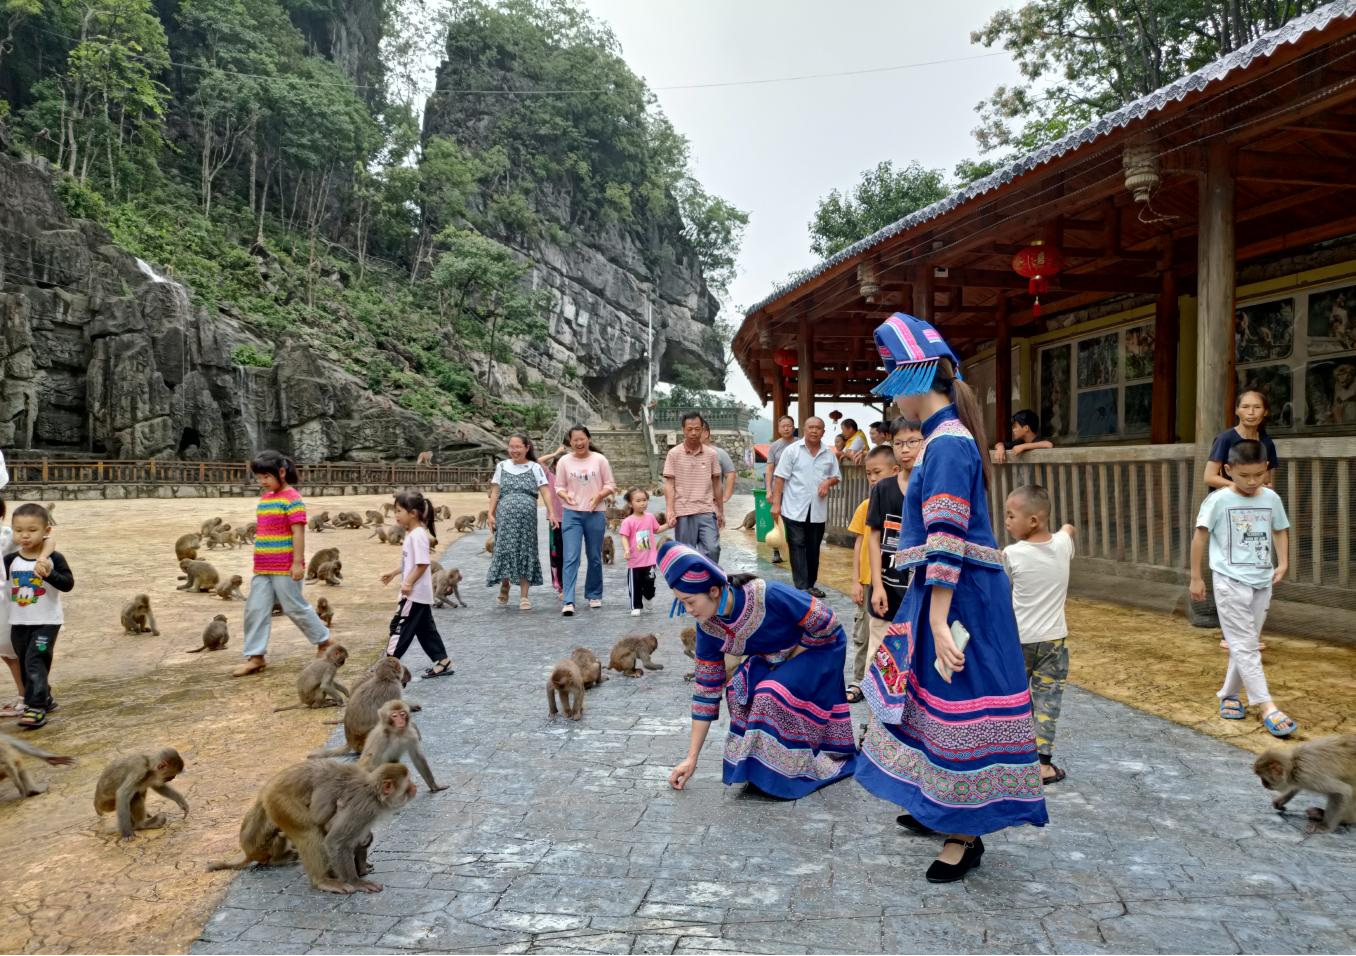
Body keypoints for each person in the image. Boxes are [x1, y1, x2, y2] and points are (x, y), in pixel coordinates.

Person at [855, 313, 1047, 884]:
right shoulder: (949, 439)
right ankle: (938, 804)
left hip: (960, 596)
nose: (895, 402)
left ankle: (965, 832)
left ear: (913, 380)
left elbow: (945, 539)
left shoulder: (946, 446)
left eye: (893, 381)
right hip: (953, 591)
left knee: (960, 701)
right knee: (934, 701)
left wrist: (938, 620)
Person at [661, 541, 856, 798]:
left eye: (690, 601)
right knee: (738, 689)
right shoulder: (708, 627)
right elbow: (706, 691)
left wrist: (787, 659)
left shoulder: (768, 594)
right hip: (776, 655)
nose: (688, 610)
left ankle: (787, 773)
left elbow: (828, 622)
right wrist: (691, 758)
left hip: (819, 648)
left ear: (714, 591)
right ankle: (760, 769)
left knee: (769, 693)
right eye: (682, 603)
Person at [1189, 439, 1296, 739]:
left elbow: (1280, 529)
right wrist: (1196, 577)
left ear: (1266, 470)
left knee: (1244, 642)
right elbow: (1200, 538)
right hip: (1229, 580)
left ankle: (1229, 695)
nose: (1252, 482)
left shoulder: (1271, 498)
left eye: (1258, 475)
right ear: (1228, 469)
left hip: (1262, 580)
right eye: (1244, 475)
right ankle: (1267, 706)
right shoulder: (1218, 500)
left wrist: (1283, 562)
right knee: (1247, 645)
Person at [1002, 485, 1076, 784]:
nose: (1006, 521)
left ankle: (1012, 757)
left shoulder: (1011, 554)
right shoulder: (1062, 545)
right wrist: (1064, 530)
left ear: (1033, 520)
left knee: (1015, 697)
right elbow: (1069, 530)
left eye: (1011, 515)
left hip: (1018, 639)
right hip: (1054, 640)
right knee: (1048, 700)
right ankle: (1043, 764)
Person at [234, 451, 333, 677]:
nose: (262, 482)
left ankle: (324, 641)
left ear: (281, 472)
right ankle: (256, 656)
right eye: (259, 478)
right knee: (255, 609)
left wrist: (297, 563)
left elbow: (298, 533)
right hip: (262, 565)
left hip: (285, 565)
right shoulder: (266, 498)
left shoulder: (292, 499)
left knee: (294, 606)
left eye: (265, 477)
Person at [5, 503, 73, 729]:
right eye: (18, 530)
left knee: (36, 661)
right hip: (19, 622)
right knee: (26, 664)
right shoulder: (10, 560)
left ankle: (35, 709)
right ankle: (44, 698)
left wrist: (50, 574)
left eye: (32, 530)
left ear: (46, 531)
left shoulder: (54, 558)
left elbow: (68, 584)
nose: (24, 535)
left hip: (46, 622)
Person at [868, 418, 923, 676]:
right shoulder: (883, 489)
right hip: (886, 590)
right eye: (899, 443)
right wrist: (876, 585)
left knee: (915, 664)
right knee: (878, 661)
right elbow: (873, 537)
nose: (905, 449)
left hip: (920, 592)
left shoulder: (932, 488)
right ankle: (874, 718)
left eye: (913, 442)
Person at [380, 491, 454, 679]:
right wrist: (394, 573)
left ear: (413, 513)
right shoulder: (414, 534)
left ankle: (388, 665)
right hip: (419, 593)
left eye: (398, 511)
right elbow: (410, 563)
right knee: (425, 630)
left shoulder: (418, 535)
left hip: (414, 594)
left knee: (400, 627)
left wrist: (408, 583)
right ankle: (443, 661)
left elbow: (423, 564)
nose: (395, 515)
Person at [847, 445, 898, 703]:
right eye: (869, 473)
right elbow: (858, 545)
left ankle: (886, 683)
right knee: (863, 636)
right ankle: (859, 680)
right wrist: (856, 580)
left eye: (877, 472)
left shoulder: (901, 504)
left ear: (895, 471)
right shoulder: (865, 505)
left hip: (891, 582)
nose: (873, 478)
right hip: (868, 583)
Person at [770, 416, 840, 598]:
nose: (814, 431)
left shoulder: (828, 454)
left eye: (818, 428)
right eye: (811, 427)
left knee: (814, 547)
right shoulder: (792, 451)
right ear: (803, 429)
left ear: (823, 432)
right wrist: (776, 504)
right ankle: (801, 587)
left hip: (817, 510)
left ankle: (811, 584)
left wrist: (827, 482)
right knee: (797, 544)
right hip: (794, 508)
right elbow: (780, 478)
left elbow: (836, 476)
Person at [486, 434, 558, 611]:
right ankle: (505, 584)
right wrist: (490, 513)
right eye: (511, 446)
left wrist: (552, 511)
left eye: (518, 446)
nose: (514, 450)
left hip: (527, 519)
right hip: (505, 516)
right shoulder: (502, 466)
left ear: (527, 448)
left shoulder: (535, 467)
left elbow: (545, 491)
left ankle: (524, 596)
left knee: (526, 549)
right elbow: (495, 491)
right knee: (505, 548)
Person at [0, 496, 55, 719]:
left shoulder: (7, 536)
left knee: (12, 654)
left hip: (6, 604)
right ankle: (37, 694)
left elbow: (48, 538)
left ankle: (27, 698)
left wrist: (42, 557)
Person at [554, 425, 615, 616]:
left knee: (595, 556)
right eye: (575, 440)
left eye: (582, 439)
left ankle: (594, 594)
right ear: (570, 442)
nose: (579, 443)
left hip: (595, 513)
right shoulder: (564, 461)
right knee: (571, 557)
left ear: (588, 439)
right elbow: (559, 487)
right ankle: (568, 599)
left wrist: (599, 496)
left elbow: (610, 484)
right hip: (572, 514)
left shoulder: (600, 460)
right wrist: (565, 496)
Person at [663, 413, 723, 562]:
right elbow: (669, 484)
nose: (694, 433)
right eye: (689, 429)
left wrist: (721, 510)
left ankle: (709, 584)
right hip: (683, 511)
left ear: (703, 429)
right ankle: (689, 584)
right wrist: (670, 509)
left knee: (713, 549)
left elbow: (717, 482)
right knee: (686, 554)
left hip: (707, 510)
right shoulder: (673, 454)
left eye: (697, 429)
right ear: (683, 430)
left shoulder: (711, 454)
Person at [1204, 389, 1279, 490]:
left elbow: (1265, 479)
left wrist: (1266, 487)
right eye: (1245, 407)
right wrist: (1241, 487)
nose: (1251, 412)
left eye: (1257, 407)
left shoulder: (1266, 442)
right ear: (1236, 410)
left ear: (1265, 412)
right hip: (1227, 500)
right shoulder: (1225, 439)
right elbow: (1209, 477)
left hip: (1253, 501)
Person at [618, 488, 661, 617]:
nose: (642, 503)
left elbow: (657, 529)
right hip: (635, 561)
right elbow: (624, 537)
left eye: (644, 500)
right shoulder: (628, 521)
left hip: (650, 559)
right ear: (630, 504)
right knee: (635, 585)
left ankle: (648, 597)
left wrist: (670, 525)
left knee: (650, 583)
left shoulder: (650, 517)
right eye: (638, 501)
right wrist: (626, 550)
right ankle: (636, 606)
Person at [764, 415, 797, 564]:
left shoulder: (800, 444)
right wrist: (768, 490)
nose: (786, 428)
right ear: (778, 429)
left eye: (789, 425)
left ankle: (795, 549)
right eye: (783, 426)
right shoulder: (775, 446)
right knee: (777, 518)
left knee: (795, 519)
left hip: (796, 489)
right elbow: (769, 469)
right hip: (779, 489)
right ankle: (776, 550)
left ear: (793, 427)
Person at [701, 423, 737, 507]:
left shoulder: (719, 453)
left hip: (712, 503)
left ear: (706, 434)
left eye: (698, 430)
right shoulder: (687, 453)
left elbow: (731, 474)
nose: (694, 433)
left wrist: (726, 497)